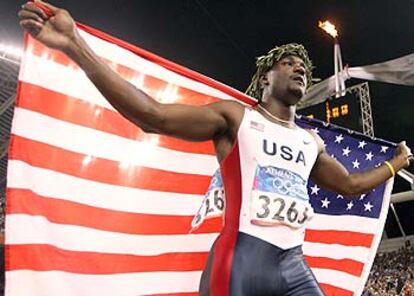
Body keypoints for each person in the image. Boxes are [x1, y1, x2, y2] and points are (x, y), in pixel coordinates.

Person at [18, 2, 414, 295]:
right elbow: (152, 115)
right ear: (264, 80)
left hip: (293, 263)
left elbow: (348, 184)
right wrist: (74, 45)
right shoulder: (236, 118)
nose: (299, 68)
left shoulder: (310, 141)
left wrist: (394, 164)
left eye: (303, 67)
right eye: (289, 63)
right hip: (242, 261)